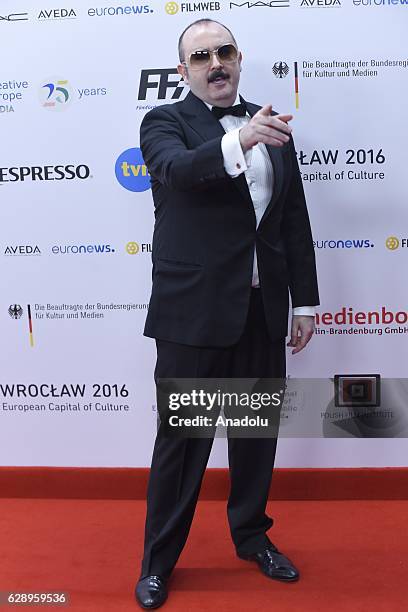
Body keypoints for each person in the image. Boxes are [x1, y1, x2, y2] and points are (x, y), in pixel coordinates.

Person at [135, 18, 319, 609]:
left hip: (263, 310)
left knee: (254, 435)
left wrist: (305, 300)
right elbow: (178, 171)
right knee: (183, 440)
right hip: (194, 316)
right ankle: (158, 561)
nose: (215, 63)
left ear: (239, 59)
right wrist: (240, 140)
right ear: (184, 70)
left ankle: (251, 537)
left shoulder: (269, 126)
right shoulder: (164, 123)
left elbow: (292, 221)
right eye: (200, 56)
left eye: (225, 52)